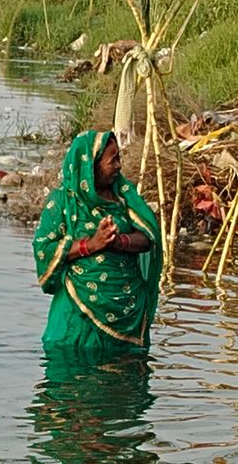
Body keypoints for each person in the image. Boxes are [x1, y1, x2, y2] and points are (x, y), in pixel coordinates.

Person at [33, 129, 161, 358]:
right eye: (113, 161)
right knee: (70, 382)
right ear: (90, 166)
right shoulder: (62, 201)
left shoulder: (124, 196)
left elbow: (148, 238)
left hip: (128, 310)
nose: (119, 166)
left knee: (125, 383)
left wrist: (117, 241)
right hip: (76, 312)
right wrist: (91, 245)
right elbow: (44, 249)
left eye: (119, 158)